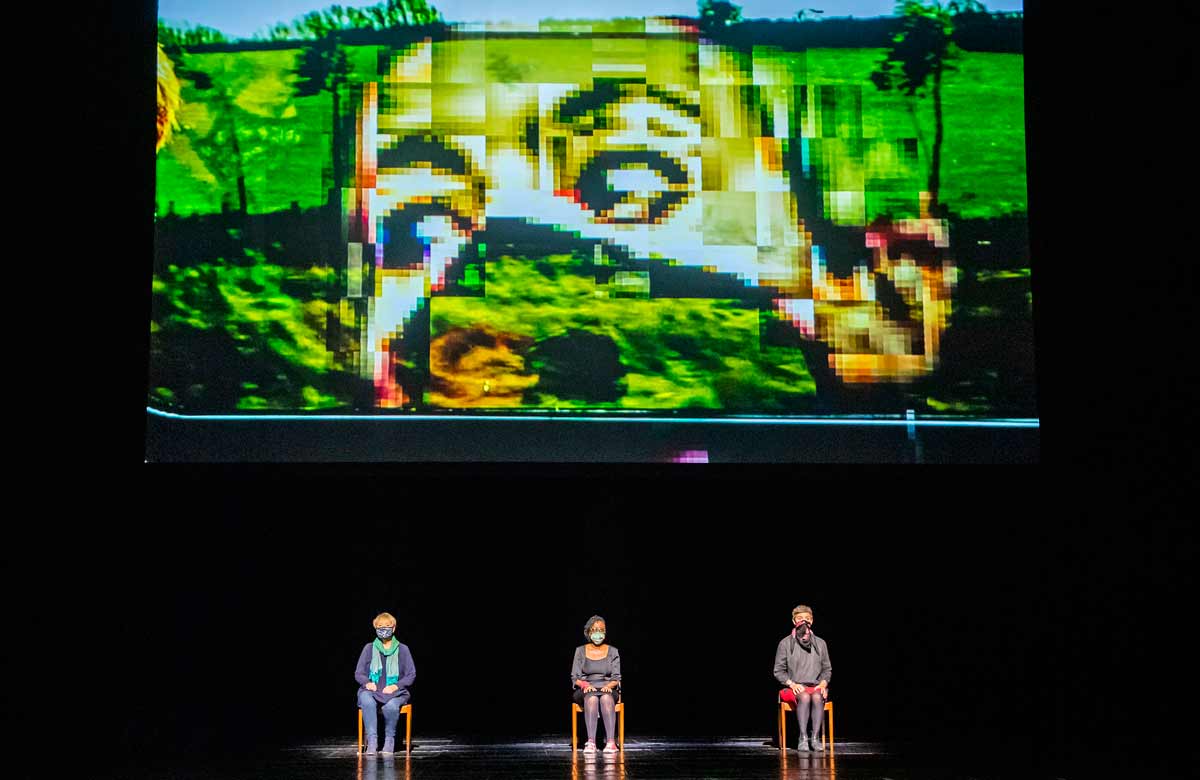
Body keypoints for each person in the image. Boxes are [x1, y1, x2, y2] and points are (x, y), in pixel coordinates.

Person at [354, 612, 416, 755]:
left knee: (391, 706)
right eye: (380, 626)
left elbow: (411, 675)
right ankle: (372, 741)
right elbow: (359, 673)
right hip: (373, 690)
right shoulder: (369, 648)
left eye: (387, 626)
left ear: (393, 628)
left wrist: (395, 686)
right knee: (366, 699)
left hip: (396, 692)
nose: (384, 629)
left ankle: (389, 741)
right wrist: (368, 683)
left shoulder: (403, 649)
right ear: (375, 628)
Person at [773, 604, 831, 751]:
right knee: (804, 696)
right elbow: (778, 671)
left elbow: (827, 669)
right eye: (800, 618)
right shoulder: (785, 643)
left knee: (817, 696)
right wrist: (791, 684)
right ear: (794, 621)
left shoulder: (821, 643)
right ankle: (803, 737)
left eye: (807, 618)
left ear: (812, 621)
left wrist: (824, 683)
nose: (803, 621)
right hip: (792, 688)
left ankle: (815, 738)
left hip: (816, 687)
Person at [571, 615, 622, 755]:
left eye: (601, 629)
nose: (598, 633)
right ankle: (591, 742)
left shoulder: (613, 651)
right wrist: (584, 685)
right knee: (592, 698)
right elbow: (575, 677)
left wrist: (610, 686)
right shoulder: (580, 651)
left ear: (605, 631)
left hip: (608, 687)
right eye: (595, 630)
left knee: (606, 698)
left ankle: (611, 742)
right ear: (589, 632)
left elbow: (616, 678)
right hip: (585, 689)